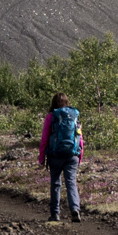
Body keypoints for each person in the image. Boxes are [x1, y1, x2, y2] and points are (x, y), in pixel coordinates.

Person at [36, 92, 83, 223]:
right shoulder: (74, 115)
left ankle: (55, 214)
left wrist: (41, 156)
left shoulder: (51, 116)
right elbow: (79, 137)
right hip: (72, 154)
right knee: (71, 182)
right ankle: (75, 209)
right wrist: (80, 155)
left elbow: (45, 138)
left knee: (56, 183)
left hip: (55, 155)